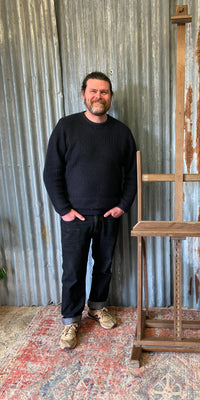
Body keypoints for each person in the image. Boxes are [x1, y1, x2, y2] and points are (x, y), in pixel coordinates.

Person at [43, 72, 137, 349]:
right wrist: (64, 210)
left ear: (111, 97)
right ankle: (71, 319)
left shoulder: (121, 133)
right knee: (73, 270)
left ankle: (97, 307)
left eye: (104, 92)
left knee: (104, 266)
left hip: (109, 215)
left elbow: (132, 173)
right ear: (84, 94)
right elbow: (52, 173)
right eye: (94, 91)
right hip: (75, 217)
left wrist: (123, 206)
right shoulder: (66, 127)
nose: (99, 96)